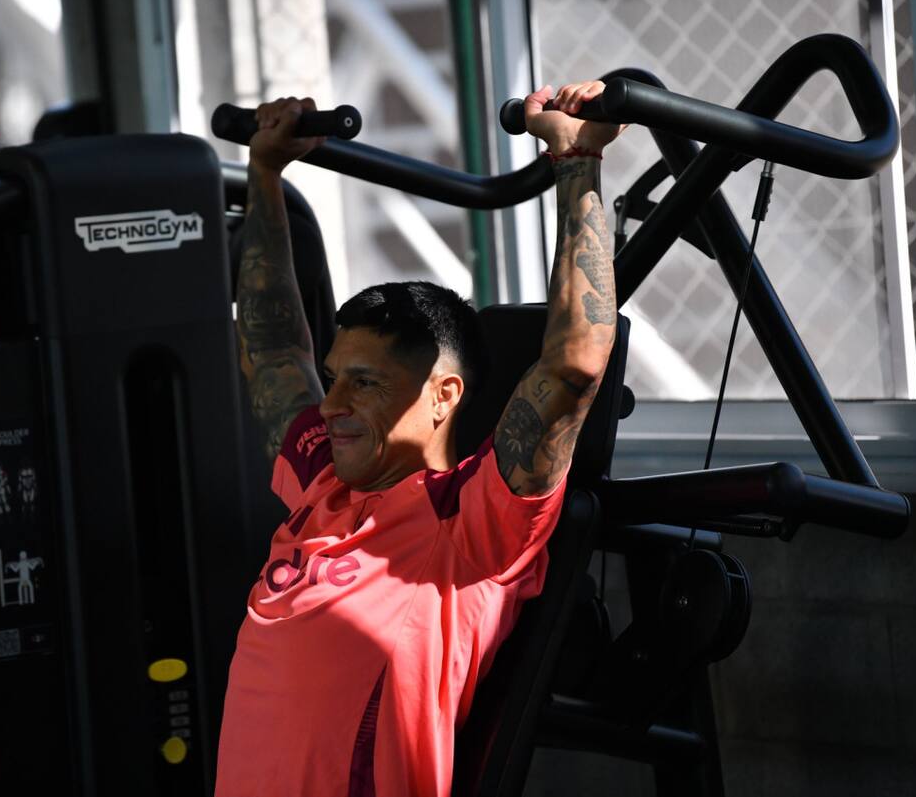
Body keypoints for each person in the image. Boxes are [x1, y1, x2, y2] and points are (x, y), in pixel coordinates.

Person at [216, 82, 624, 797]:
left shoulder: (470, 525)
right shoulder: (324, 484)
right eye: (336, 378)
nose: (332, 404)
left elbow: (574, 363)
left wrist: (577, 161)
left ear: (442, 397)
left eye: (364, 384)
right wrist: (266, 172)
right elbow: (277, 348)